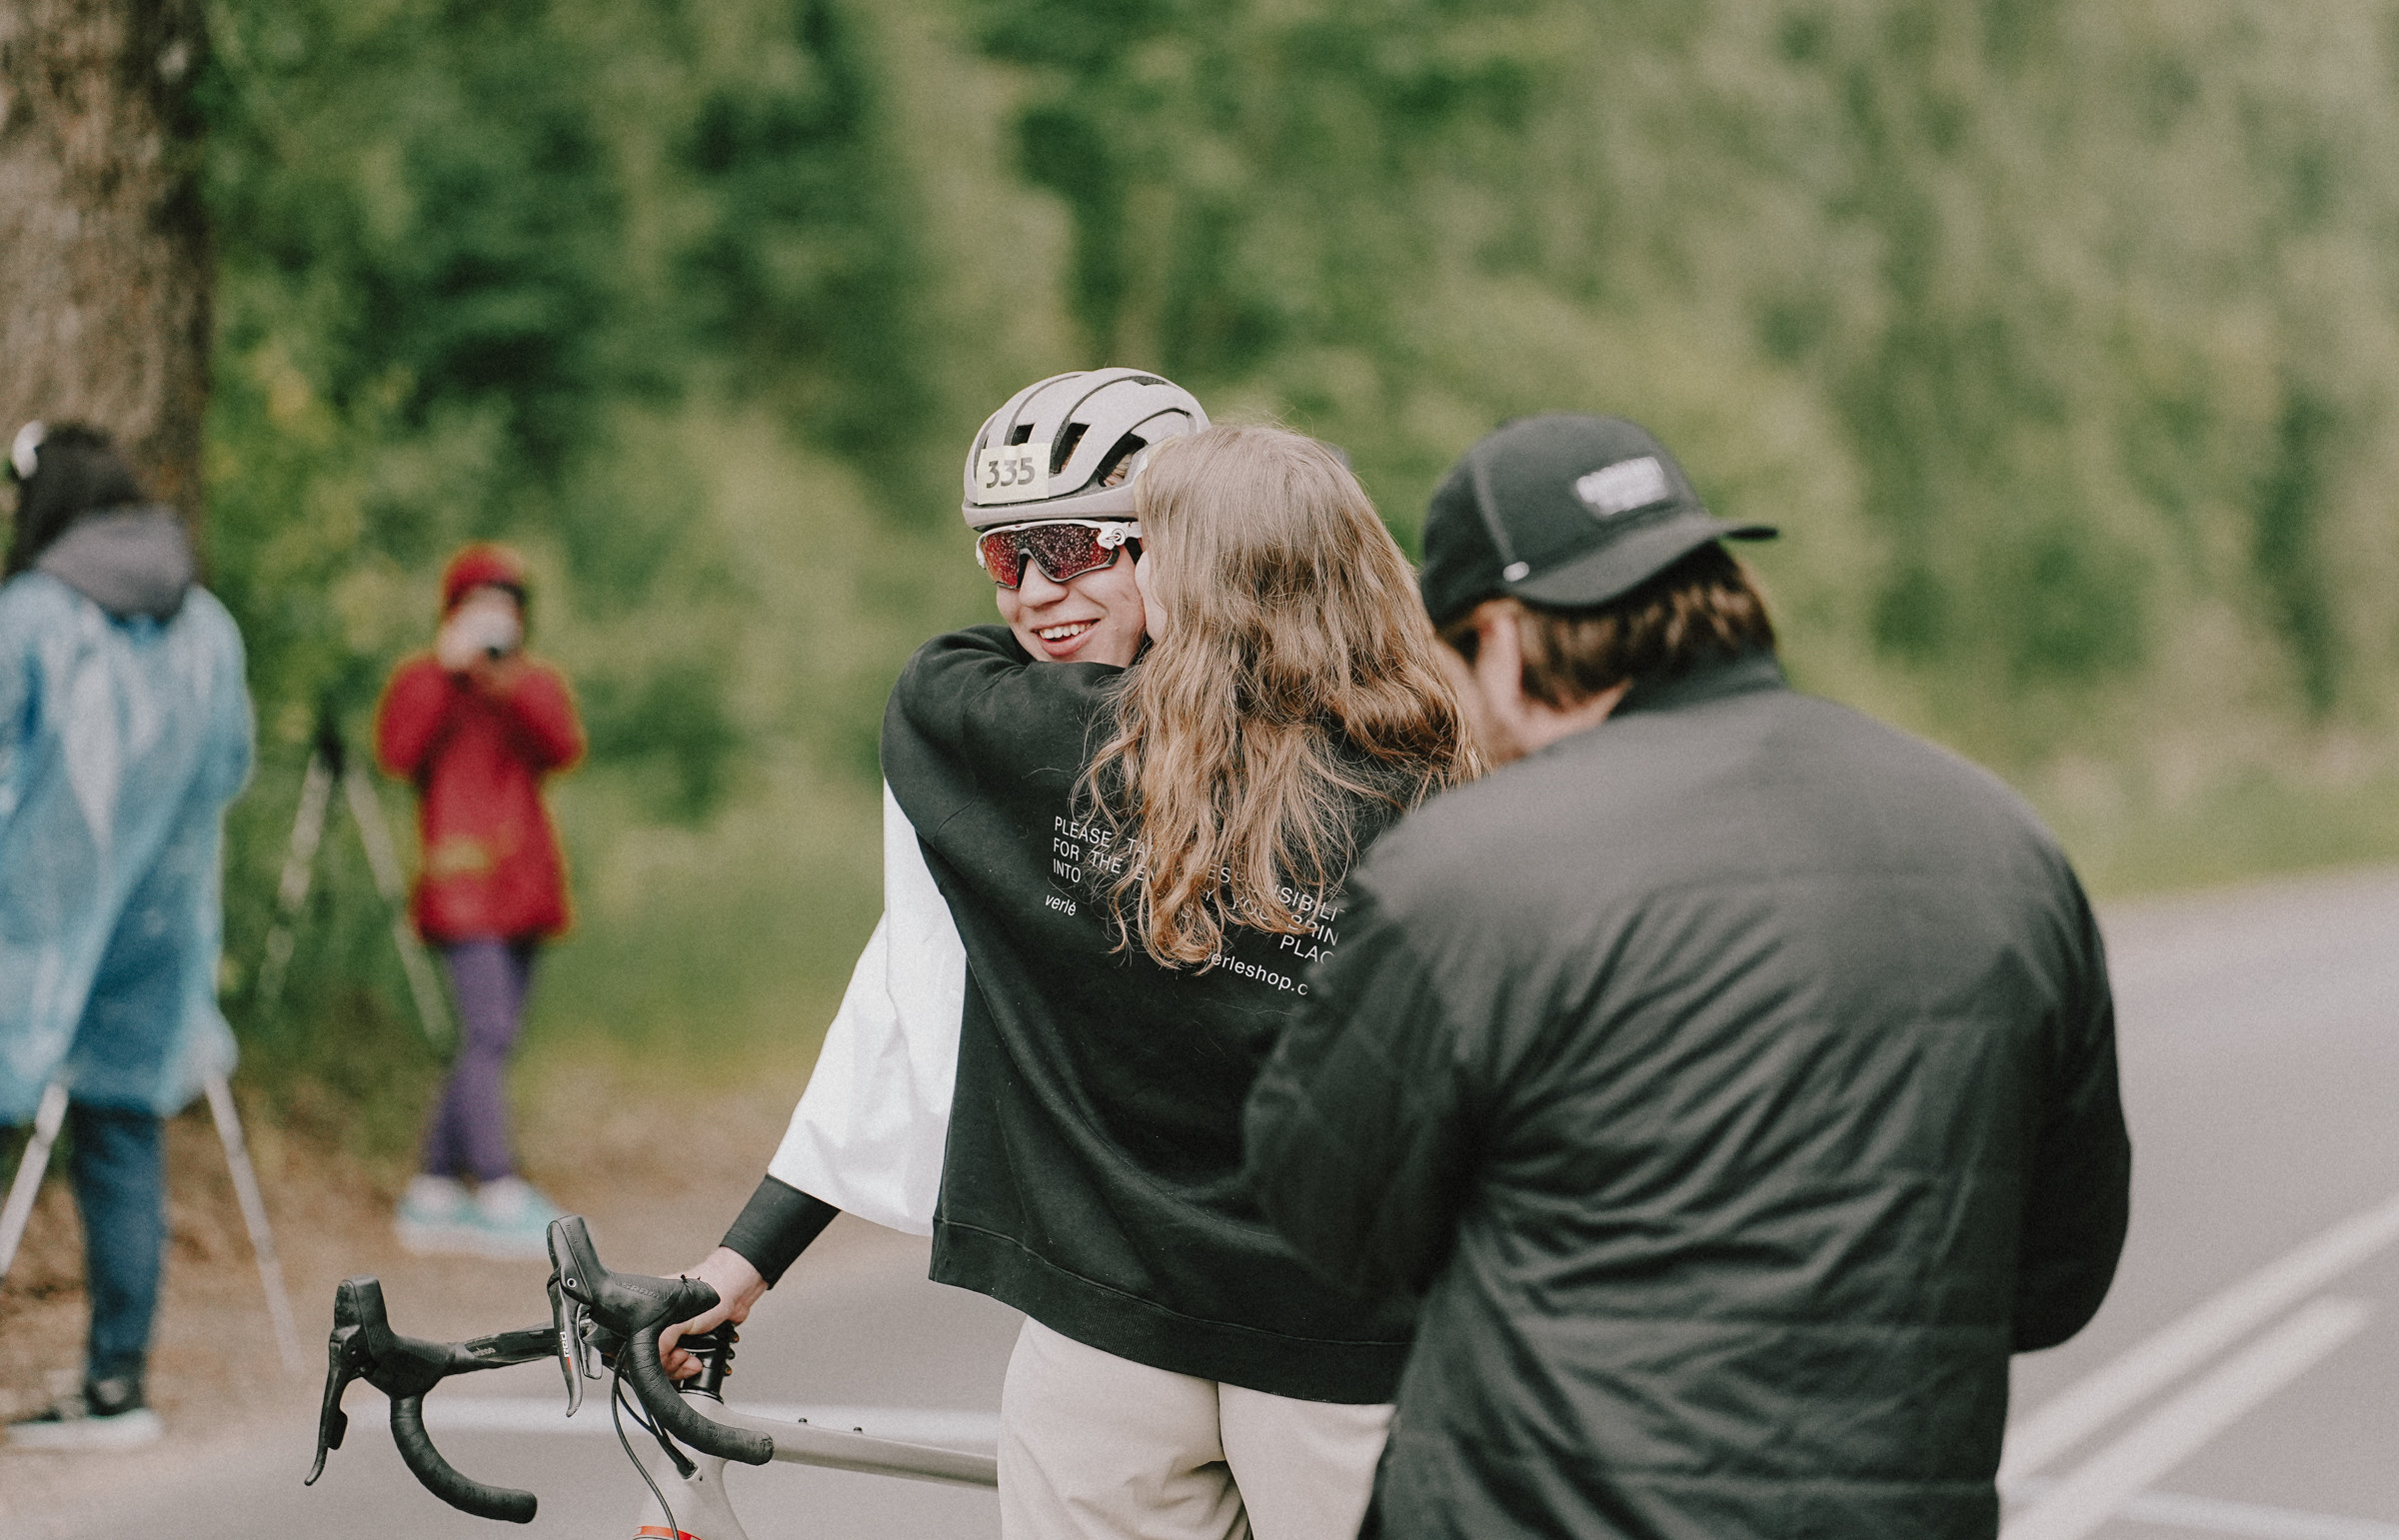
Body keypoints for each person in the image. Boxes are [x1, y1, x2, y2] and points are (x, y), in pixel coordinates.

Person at [1243, 413, 2133, 1540]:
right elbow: (2057, 1272)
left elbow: (1330, 1217)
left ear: (1505, 638)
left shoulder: (1470, 870)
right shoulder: (2006, 845)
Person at [660, 373, 1476, 1540]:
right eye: (1006, 560)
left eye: (1082, 546)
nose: (1039, 593)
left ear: (1179, 554)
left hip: (1114, 1327)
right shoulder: (1434, 783)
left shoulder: (1025, 751)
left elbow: (911, 964)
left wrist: (742, 1267)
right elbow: (921, 983)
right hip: (1343, 1341)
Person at [0, 423, 254, 1450]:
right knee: (120, 1135)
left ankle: (107, 1387)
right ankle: (117, 1385)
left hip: (30, 919)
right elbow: (229, 764)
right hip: (159, 920)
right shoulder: (209, 623)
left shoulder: (29, 615)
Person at [377, 543, 584, 1260]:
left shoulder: (533, 683)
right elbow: (398, 752)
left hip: (524, 887)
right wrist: (446, 671)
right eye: (481, 608)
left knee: (490, 1038)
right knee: (488, 1033)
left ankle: (433, 1191)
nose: (496, 623)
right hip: (461, 886)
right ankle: (496, 1186)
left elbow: (562, 744)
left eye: (508, 609)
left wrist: (504, 683)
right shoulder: (423, 680)